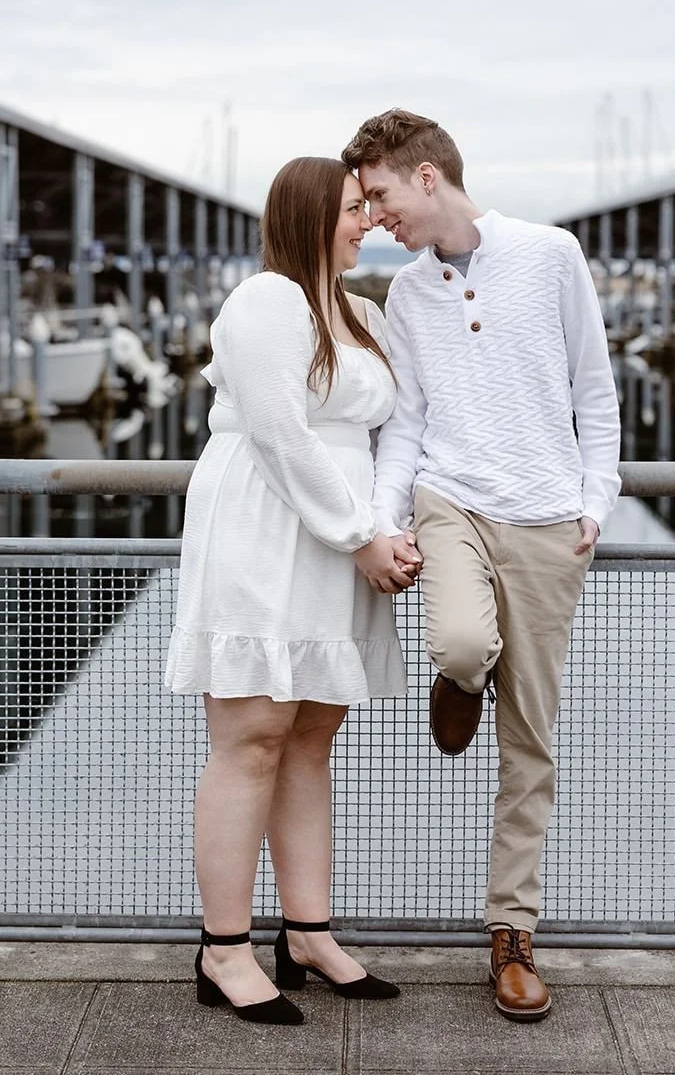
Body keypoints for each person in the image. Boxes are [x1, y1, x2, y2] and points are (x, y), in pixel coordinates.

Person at [342, 110, 621, 1023]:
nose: (376, 216)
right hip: (450, 500)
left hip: (547, 519)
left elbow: (593, 385)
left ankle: (510, 934)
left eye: (380, 194)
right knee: (461, 643)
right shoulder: (404, 297)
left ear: (428, 178)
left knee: (528, 743)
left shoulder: (551, 253)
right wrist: (386, 522)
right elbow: (408, 422)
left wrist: (596, 498)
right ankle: (464, 671)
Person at [165, 156, 421, 1026]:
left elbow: (393, 429)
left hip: (338, 534)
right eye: (353, 208)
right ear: (312, 213)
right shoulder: (265, 300)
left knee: (311, 730)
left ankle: (307, 931)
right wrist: (360, 536)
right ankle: (223, 947)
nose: (366, 222)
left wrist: (381, 525)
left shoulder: (361, 311)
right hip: (267, 526)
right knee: (252, 732)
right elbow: (279, 430)